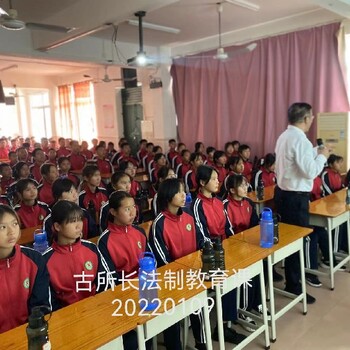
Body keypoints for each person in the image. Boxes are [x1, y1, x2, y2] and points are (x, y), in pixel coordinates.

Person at [274, 102, 329, 304]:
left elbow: (298, 161)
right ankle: (294, 285)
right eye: (311, 117)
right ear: (306, 118)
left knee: (290, 242)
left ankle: (293, 281)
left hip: (284, 195)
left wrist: (316, 151)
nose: (312, 120)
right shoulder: (300, 140)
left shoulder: (284, 137)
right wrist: (322, 157)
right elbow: (310, 171)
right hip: (296, 198)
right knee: (296, 242)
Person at [149, 178, 207, 350]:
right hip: (170, 279)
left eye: (184, 191)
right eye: (179, 192)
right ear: (168, 196)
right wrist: (183, 274)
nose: (184, 195)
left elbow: (201, 242)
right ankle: (173, 345)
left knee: (199, 302)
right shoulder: (158, 223)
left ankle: (201, 342)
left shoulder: (189, 217)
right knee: (171, 310)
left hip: (192, 274)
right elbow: (163, 260)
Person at [192, 165, 246, 344]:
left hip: (223, 248)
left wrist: (234, 246)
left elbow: (228, 227)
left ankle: (225, 325)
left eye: (218, 178)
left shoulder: (218, 202)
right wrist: (219, 252)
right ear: (202, 182)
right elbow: (202, 236)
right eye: (214, 179)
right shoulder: (197, 205)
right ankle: (214, 331)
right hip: (207, 255)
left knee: (236, 273)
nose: (218, 182)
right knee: (227, 276)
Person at [0, 205, 50, 334]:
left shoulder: (34, 260)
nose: (11, 232)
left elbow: (40, 306)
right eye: (2, 227)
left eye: (15, 224)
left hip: (29, 335)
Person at [44, 178, 98, 243]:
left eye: (75, 190)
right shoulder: (50, 220)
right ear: (58, 196)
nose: (75, 195)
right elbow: (48, 244)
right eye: (70, 192)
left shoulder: (84, 214)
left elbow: (94, 236)